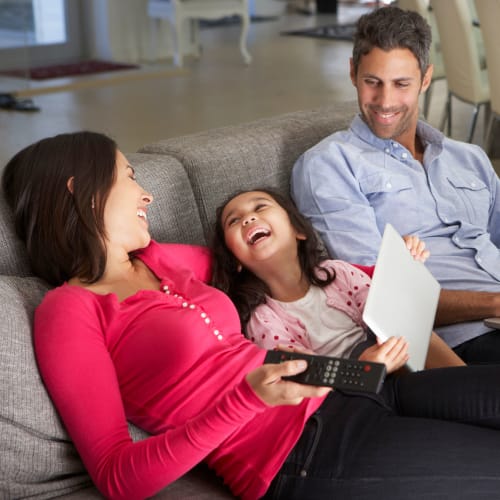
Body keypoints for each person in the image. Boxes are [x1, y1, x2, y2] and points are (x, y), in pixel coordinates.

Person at [6, 132, 500, 500]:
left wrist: (391, 268)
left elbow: (280, 262)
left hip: (355, 386)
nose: (146, 196)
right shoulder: (69, 311)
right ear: (83, 191)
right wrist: (245, 400)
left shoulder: (161, 259)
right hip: (300, 455)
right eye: (129, 177)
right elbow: (117, 476)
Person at [291, 5, 500, 364]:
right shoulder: (330, 165)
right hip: (461, 341)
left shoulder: (469, 158)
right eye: (373, 82)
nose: (385, 102)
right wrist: (496, 302)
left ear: (425, 78)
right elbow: (382, 297)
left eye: (401, 84)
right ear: (353, 73)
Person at [212, 187, 465, 373]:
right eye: (233, 220)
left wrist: (404, 266)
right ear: (236, 260)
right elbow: (304, 377)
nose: (248, 218)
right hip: (352, 387)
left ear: (298, 231)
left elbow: (386, 312)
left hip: (389, 350)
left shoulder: (337, 272)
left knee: (408, 333)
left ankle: (462, 378)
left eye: (260, 207)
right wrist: (364, 368)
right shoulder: (263, 320)